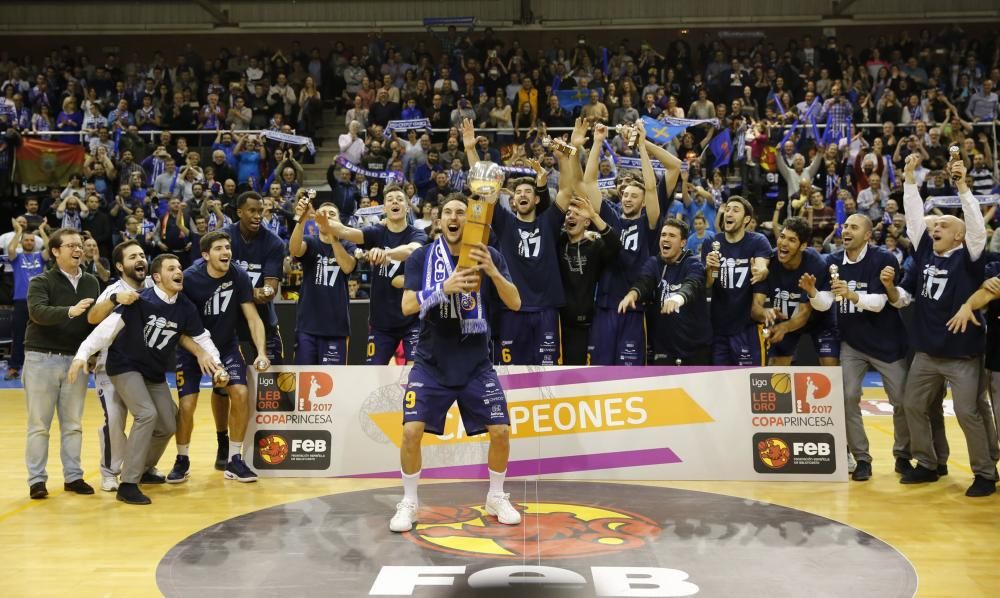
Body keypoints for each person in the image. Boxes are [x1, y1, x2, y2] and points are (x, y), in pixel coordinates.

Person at [391, 193, 521, 533]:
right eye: (447, 212)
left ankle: (496, 495)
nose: (453, 217)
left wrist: (493, 272)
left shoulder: (487, 254)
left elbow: (516, 302)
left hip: (476, 363)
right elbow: (406, 306)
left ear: (470, 219)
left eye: (461, 212)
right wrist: (443, 287)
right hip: (431, 362)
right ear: (438, 221)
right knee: (410, 432)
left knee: (502, 431)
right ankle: (409, 502)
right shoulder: (421, 257)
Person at [69, 254, 223, 505]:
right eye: (171, 268)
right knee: (146, 414)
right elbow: (106, 330)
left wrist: (217, 365)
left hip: (153, 372)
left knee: (168, 424)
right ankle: (128, 484)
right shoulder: (141, 302)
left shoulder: (185, 306)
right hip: (124, 366)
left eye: (180, 267)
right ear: (157, 277)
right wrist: (82, 355)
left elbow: (202, 337)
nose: (179, 272)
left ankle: (141, 469)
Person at [894, 155, 998, 497]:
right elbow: (912, 219)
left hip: (962, 354)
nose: (935, 229)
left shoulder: (969, 259)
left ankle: (984, 473)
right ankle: (927, 463)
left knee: (968, 413)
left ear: (960, 237)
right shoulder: (925, 251)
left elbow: (977, 228)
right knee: (912, 405)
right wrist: (909, 179)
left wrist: (962, 186)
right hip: (927, 352)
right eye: (934, 226)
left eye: (944, 226)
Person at [168, 231, 271, 484]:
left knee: (241, 393)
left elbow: (252, 317)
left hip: (225, 346)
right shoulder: (190, 280)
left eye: (227, 247)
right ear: (205, 256)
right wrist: (200, 353)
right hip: (192, 348)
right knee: (187, 406)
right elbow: (178, 328)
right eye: (218, 249)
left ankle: (235, 459)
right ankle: (182, 458)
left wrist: (261, 352)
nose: (226, 252)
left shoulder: (239, 275)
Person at [462, 119, 565, 366]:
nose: (521, 195)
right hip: (512, 311)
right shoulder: (506, 223)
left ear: (537, 199)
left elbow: (568, 191)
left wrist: (565, 155)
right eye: (518, 192)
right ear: (513, 199)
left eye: (528, 191)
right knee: (510, 376)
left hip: (546, 311)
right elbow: (485, 188)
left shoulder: (549, 223)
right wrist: (469, 150)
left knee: (548, 378)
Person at [24, 228, 100, 499]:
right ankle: (36, 480)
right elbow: (38, 312)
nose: (77, 249)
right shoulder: (41, 281)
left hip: (75, 362)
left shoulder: (91, 282)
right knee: (39, 424)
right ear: (55, 251)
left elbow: (94, 323)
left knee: (73, 424)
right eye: (70, 245)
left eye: (79, 245)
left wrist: (91, 354)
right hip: (41, 358)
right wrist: (71, 310)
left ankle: (73, 476)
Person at [219, 192, 286, 468]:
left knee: (272, 381)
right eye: (253, 211)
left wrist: (252, 292)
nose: (259, 215)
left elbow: (270, 289)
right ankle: (223, 442)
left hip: (263, 321)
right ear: (239, 212)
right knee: (223, 387)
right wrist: (251, 292)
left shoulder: (273, 242)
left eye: (262, 211)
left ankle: (271, 437)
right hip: (227, 323)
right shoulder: (223, 238)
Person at [324, 184, 427, 364]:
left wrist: (386, 253)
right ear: (384, 208)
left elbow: (413, 250)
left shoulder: (417, 233)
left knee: (415, 372)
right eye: (390, 200)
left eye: (400, 199)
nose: (395, 201)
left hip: (413, 319)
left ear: (408, 207)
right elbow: (347, 232)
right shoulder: (376, 232)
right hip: (381, 322)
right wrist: (323, 220)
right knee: (374, 372)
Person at [84, 240, 153, 492]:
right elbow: (92, 317)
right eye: (133, 256)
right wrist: (114, 298)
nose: (140, 259)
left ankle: (143, 466)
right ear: (120, 266)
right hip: (111, 365)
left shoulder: (155, 286)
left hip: (145, 366)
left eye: (143, 255)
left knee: (150, 418)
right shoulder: (114, 289)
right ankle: (110, 470)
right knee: (114, 419)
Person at [619, 218, 711, 365]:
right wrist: (632, 294)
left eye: (672, 236)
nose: (665, 239)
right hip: (663, 348)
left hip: (695, 348)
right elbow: (644, 283)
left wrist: (678, 298)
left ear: (683, 243)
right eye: (663, 235)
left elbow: (693, 283)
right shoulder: (654, 263)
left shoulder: (692, 263)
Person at [755, 217, 840, 367]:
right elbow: (756, 306)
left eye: (792, 240)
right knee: (776, 371)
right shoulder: (770, 261)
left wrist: (784, 327)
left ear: (803, 246)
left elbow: (804, 313)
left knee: (831, 369)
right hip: (787, 319)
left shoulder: (815, 263)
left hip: (819, 319)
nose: (784, 243)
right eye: (782, 236)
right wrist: (765, 312)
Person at [701, 196, 771, 365]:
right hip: (718, 329)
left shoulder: (757, 241)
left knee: (749, 383)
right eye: (727, 209)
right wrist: (712, 270)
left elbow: (762, 265)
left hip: (747, 328)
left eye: (735, 210)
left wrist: (761, 269)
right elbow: (708, 284)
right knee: (721, 383)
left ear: (747, 219)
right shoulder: (711, 242)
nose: (728, 213)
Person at [289, 200, 357, 364]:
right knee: (304, 383)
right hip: (307, 327)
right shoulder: (310, 242)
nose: (327, 218)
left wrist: (334, 238)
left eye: (332, 215)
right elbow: (294, 249)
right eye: (323, 215)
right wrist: (302, 220)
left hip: (336, 328)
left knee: (334, 383)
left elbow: (347, 267)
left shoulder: (348, 244)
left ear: (339, 222)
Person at [6, 219, 47, 381]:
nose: (29, 242)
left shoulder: (40, 256)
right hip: (21, 301)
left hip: (39, 301)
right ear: (22, 243)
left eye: (31, 240)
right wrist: (18, 232)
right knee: (18, 335)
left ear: (35, 243)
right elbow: (10, 249)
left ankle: (41, 367)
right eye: (26, 240)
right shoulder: (17, 258)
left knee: (41, 334)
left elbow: (51, 248)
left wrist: (42, 230)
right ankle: (15, 367)